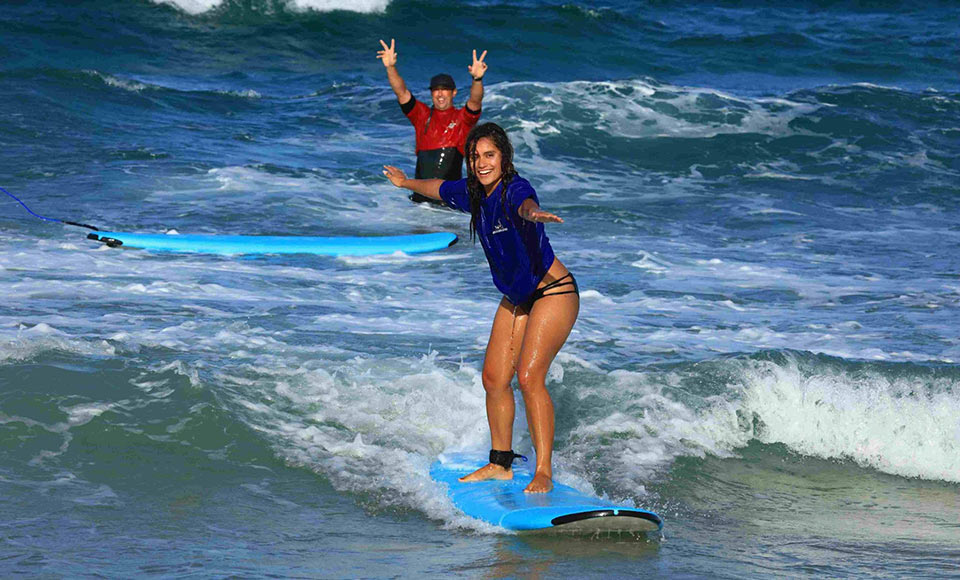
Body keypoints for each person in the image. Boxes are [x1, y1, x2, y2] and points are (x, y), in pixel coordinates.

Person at [383, 123, 579, 493]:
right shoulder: (473, 194)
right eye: (475, 157)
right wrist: (406, 183)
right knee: (493, 379)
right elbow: (438, 189)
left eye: (489, 155)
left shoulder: (512, 191)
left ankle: (544, 472)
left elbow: (526, 204)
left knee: (529, 378)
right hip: (518, 298)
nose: (481, 163)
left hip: (554, 293)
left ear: (504, 157)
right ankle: (500, 463)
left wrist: (535, 215)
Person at [377, 38, 487, 204]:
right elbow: (401, 92)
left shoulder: (462, 119)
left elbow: (475, 101)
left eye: (445, 90)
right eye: (436, 90)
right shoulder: (421, 115)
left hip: (448, 204)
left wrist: (477, 80)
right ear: (431, 94)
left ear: (454, 93)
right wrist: (390, 67)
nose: (440, 94)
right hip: (420, 204)